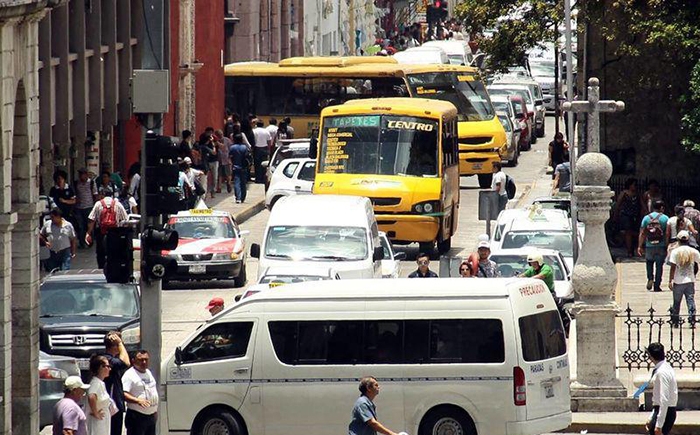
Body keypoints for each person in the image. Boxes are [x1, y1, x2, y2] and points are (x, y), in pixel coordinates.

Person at [85, 194, 129, 269]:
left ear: (102, 196)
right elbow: (126, 220)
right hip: (115, 233)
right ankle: (113, 268)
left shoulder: (98, 204)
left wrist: (88, 233)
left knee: (100, 253)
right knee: (114, 253)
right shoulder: (118, 204)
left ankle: (101, 269)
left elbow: (92, 219)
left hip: (101, 233)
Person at [122, 350, 159, 435]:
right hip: (137, 416)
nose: (144, 362)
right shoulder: (129, 375)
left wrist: (154, 411)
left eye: (146, 359)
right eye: (141, 360)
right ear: (133, 360)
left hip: (150, 416)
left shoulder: (148, 372)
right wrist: (138, 400)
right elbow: (123, 393)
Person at [645, 343, 677, 435]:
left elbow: (664, 400)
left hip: (665, 412)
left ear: (650, 356)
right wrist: (651, 417)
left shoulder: (662, 372)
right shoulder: (666, 368)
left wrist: (659, 425)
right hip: (663, 411)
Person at [668, 230, 699, 326]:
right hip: (690, 280)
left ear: (678, 240)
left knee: (677, 302)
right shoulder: (693, 251)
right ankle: (692, 319)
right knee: (690, 300)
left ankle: (675, 320)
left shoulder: (675, 251)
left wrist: (670, 280)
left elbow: (673, 267)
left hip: (678, 281)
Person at [103, 331, 131, 435]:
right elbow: (126, 363)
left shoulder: (110, 359)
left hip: (115, 405)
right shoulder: (107, 360)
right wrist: (120, 343)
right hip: (111, 405)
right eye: (118, 344)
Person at [639, 200, 669, 292]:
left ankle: (650, 278)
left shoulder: (646, 218)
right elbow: (667, 234)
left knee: (649, 262)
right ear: (662, 208)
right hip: (661, 245)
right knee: (659, 266)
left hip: (649, 245)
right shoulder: (665, 218)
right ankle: (657, 285)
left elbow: (642, 233)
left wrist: (640, 246)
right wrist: (667, 245)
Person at [613, 178, 644, 257]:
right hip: (626, 215)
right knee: (628, 232)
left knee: (635, 232)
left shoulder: (637, 194)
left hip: (635, 215)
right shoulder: (624, 193)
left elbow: (642, 204)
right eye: (634, 185)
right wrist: (615, 215)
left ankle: (634, 248)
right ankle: (629, 250)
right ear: (630, 185)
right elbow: (618, 204)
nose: (635, 186)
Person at [87, 355, 113, 435]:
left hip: (103, 422)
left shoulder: (101, 383)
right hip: (97, 423)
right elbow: (91, 396)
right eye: (108, 366)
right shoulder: (95, 383)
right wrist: (96, 413)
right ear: (100, 367)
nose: (110, 369)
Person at [74, 168, 98, 248]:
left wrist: (95, 206)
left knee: (89, 226)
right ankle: (81, 243)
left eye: (83, 174)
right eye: (80, 174)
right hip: (79, 208)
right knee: (80, 226)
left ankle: (89, 241)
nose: (81, 176)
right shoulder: (76, 183)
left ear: (86, 174)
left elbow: (95, 194)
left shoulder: (91, 183)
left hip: (89, 207)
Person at [229, 133, 250, 204]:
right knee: (243, 183)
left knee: (237, 182)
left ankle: (238, 198)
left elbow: (230, 157)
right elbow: (248, 156)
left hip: (235, 167)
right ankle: (243, 197)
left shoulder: (232, 147)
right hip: (244, 167)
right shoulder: (244, 147)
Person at [215, 129, 232, 193]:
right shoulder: (215, 141)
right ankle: (219, 188)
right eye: (219, 135)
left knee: (228, 174)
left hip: (226, 159)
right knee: (219, 174)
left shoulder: (227, 140)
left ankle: (229, 183)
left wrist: (230, 157)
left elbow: (229, 148)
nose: (220, 136)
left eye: (221, 134)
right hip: (219, 159)